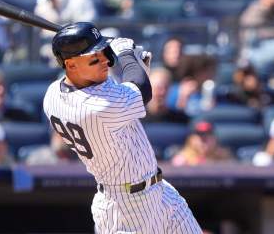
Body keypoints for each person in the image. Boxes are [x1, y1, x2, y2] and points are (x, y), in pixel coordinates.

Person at [43, 22, 202, 233]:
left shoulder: (53, 93)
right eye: (94, 59)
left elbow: (119, 82)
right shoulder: (93, 108)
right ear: (71, 65)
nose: (105, 62)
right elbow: (142, 91)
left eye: (102, 54)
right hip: (126, 209)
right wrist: (126, 55)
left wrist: (134, 65)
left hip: (160, 192)